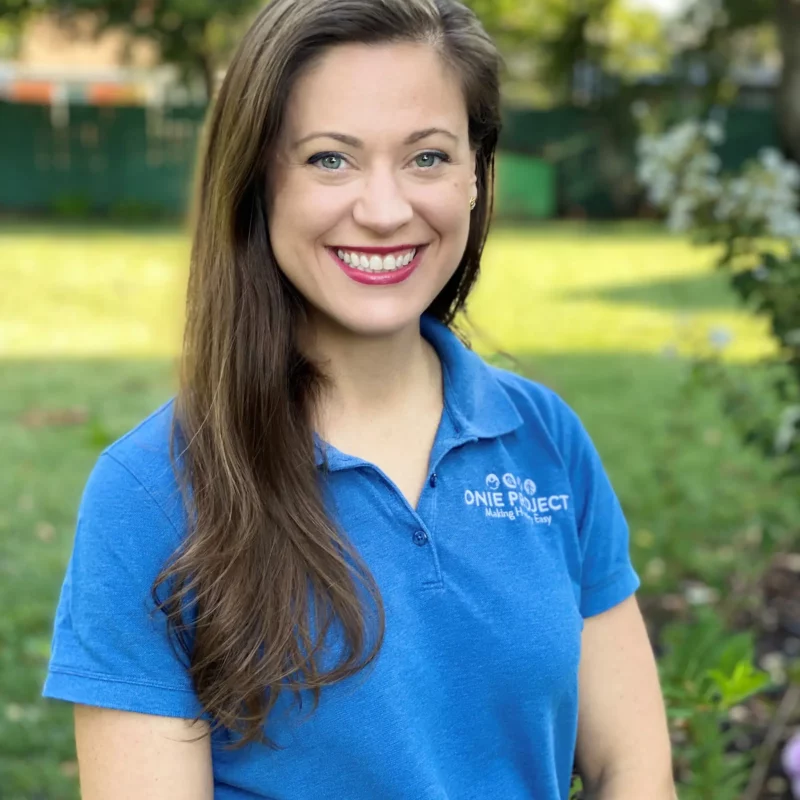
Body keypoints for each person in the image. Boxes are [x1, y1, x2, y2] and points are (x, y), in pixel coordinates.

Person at [42, 0, 676, 797]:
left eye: (428, 157)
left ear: (477, 174)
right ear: (257, 181)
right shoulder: (150, 492)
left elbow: (633, 769)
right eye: (329, 160)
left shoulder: (545, 438)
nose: (383, 211)